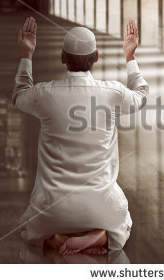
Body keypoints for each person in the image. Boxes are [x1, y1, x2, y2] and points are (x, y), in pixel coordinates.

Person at [13, 17, 148, 255]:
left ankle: (57, 239)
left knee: (28, 231)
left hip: (51, 209)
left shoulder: (45, 94)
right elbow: (141, 94)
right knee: (124, 223)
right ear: (96, 58)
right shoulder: (113, 93)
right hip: (102, 207)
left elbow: (19, 94)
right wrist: (130, 56)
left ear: (63, 58)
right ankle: (102, 235)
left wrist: (27, 53)